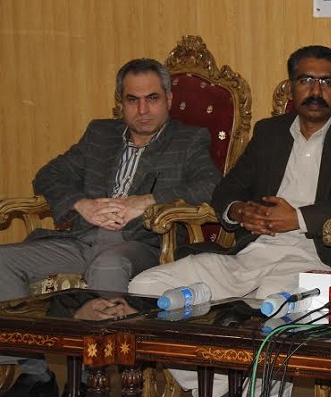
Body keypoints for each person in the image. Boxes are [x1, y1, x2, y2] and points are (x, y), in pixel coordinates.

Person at [128, 45, 331, 396]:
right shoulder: (270, 132)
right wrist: (240, 211)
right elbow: (227, 187)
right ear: (291, 86)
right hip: (249, 256)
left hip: (312, 261)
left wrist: (299, 218)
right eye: (306, 80)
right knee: (144, 289)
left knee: (275, 323)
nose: (316, 91)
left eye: (326, 82)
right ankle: (218, 389)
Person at [0, 58, 221, 396]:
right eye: (133, 100)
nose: (143, 109)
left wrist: (144, 201)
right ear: (121, 102)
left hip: (142, 243)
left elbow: (210, 186)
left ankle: (92, 382)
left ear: (169, 100)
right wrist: (81, 204)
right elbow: (48, 175)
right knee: (3, 260)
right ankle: (35, 371)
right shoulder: (99, 134)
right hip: (80, 237)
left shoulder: (188, 140)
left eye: (153, 98)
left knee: (109, 263)